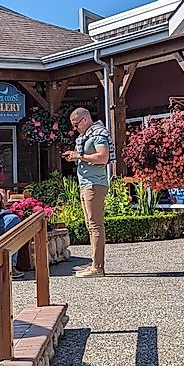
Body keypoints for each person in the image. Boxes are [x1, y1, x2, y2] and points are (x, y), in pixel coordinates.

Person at [63, 107, 110, 278]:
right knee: (91, 226)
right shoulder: (86, 135)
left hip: (95, 184)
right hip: (86, 184)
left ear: (85, 119)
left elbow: (103, 157)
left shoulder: (98, 133)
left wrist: (80, 156)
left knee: (95, 225)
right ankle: (95, 264)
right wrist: (76, 156)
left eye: (76, 124)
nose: (75, 128)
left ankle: (97, 267)